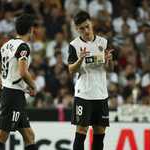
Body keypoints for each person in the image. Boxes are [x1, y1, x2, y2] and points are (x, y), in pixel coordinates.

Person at [0, 14, 37, 150]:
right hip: (13, 95)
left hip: (13, 93)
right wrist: (33, 85)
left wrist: (3, 83)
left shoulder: (7, 45)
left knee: (29, 135)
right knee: (1, 137)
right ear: (31, 30)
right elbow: (23, 72)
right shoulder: (23, 47)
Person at [67, 11, 114, 150]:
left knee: (100, 133)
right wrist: (80, 59)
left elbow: (110, 69)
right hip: (84, 94)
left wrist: (109, 61)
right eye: (82, 28)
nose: (86, 30)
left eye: (87, 26)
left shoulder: (104, 42)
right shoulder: (74, 46)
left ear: (92, 23)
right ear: (77, 29)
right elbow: (71, 71)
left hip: (101, 94)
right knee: (81, 133)